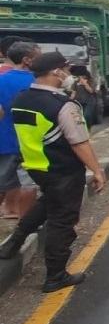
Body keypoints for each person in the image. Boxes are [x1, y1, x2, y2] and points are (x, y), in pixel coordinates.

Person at [0, 51, 106, 293]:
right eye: (65, 70)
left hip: (36, 166)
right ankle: (55, 276)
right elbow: (79, 142)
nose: (67, 74)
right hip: (63, 169)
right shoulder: (63, 106)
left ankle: (14, 241)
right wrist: (96, 170)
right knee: (62, 221)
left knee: (48, 204)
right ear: (56, 72)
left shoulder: (21, 98)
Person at [0, 41, 42, 220]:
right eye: (39, 57)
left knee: (3, 183)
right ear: (27, 60)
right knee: (28, 183)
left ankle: (10, 210)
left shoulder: (1, 80)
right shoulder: (38, 82)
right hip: (31, 141)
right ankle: (24, 223)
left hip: (5, 140)